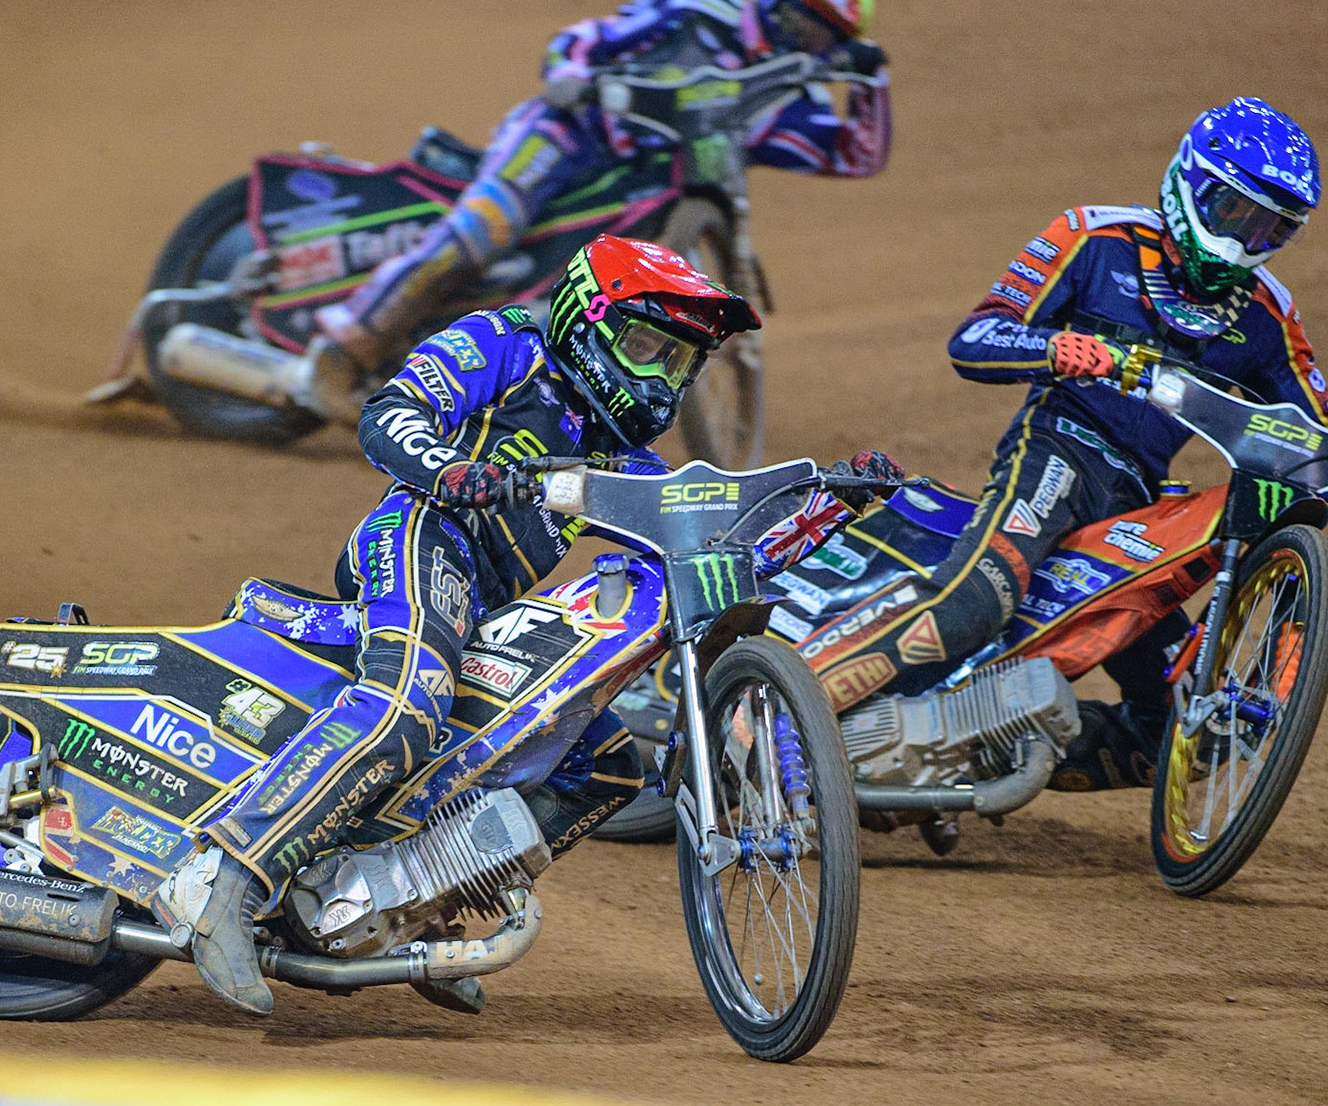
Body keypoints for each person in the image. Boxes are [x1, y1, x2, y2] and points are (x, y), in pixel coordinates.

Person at [153, 234, 898, 1016]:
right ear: (587, 316)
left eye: (679, 362)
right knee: (410, 700)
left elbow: (714, 540)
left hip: (489, 602)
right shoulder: (506, 343)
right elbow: (391, 412)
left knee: (605, 765)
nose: (659, 376)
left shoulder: (623, 461)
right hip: (422, 533)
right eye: (646, 346)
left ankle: (419, 903)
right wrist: (450, 469)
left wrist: (828, 507)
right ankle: (227, 885)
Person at [816, 96, 1328, 790]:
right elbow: (974, 339)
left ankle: (976, 747)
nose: (1242, 242)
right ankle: (784, 717)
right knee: (979, 597)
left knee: (1193, 734)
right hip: (1055, 456)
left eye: (1269, 230)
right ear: (1189, 183)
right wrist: (1058, 348)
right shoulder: (1093, 238)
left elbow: (1321, 436)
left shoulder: (1266, 314)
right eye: (1233, 214)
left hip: (1137, 510)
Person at [294, 0, 891, 417]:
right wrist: (569, 71)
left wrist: (873, 82)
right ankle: (346, 348)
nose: (798, 36)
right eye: (794, 17)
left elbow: (857, 155)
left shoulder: (792, 100)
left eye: (818, 34)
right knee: (483, 231)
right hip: (565, 133)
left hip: (642, 186)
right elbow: (584, 38)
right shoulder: (691, 15)